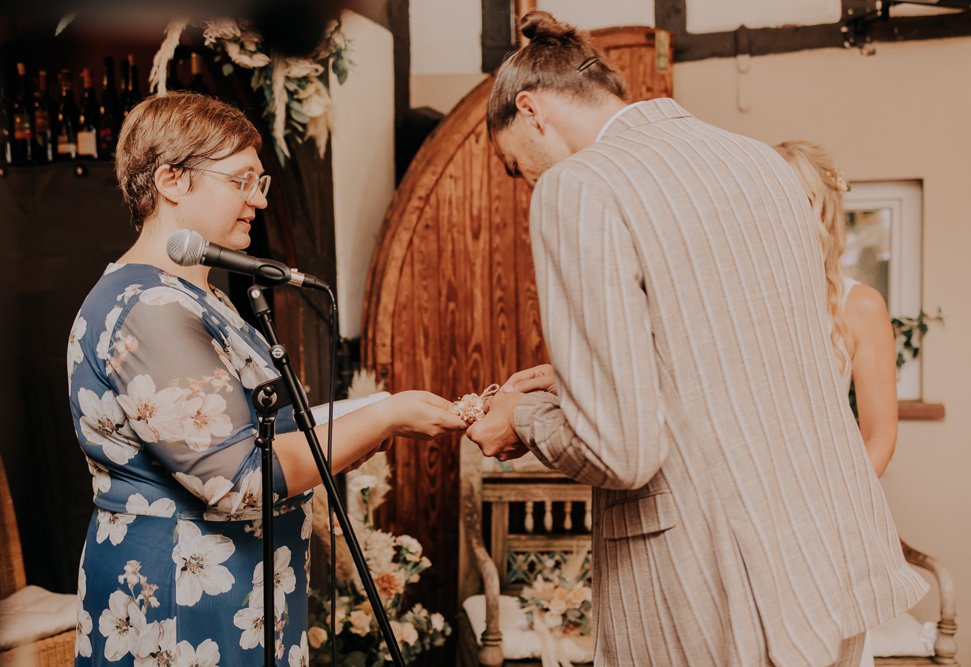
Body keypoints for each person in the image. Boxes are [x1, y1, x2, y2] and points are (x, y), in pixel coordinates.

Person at [465, 11, 927, 667]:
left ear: (533, 110)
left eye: (516, 167)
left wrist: (527, 415)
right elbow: (732, 358)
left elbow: (621, 450)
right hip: (828, 575)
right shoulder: (758, 162)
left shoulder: (579, 184)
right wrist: (577, 380)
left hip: (712, 593)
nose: (527, 186)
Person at [67, 92, 467, 665]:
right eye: (240, 180)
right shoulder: (148, 308)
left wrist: (385, 406)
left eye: (261, 183)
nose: (256, 200)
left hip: (236, 585)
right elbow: (238, 481)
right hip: (180, 595)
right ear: (171, 180)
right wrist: (384, 417)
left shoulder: (194, 293)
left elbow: (263, 429)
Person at [775, 140, 897, 477]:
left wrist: (838, 508)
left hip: (828, 493)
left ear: (823, 212)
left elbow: (880, 436)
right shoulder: (736, 296)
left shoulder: (861, 306)